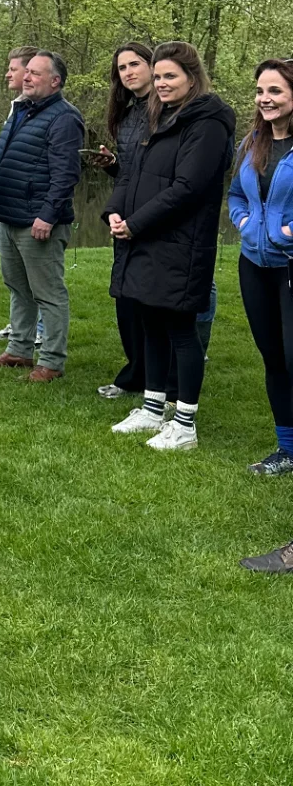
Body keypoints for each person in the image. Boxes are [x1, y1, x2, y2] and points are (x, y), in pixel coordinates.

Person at [105, 41, 235, 451]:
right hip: (145, 238)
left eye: (170, 76)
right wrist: (114, 212)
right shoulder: (159, 116)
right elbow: (131, 173)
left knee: (180, 329)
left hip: (181, 242)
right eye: (158, 76)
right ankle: (152, 407)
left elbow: (188, 188)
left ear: (192, 78)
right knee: (151, 324)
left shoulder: (209, 122)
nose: (161, 83)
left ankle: (184, 424)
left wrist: (136, 224)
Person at [0, 51, 85, 382]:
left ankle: (51, 361)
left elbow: (66, 174)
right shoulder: (23, 110)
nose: (26, 77)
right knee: (18, 288)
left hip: (38, 222)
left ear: (55, 81)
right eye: (26, 72)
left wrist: (48, 216)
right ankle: (19, 350)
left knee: (48, 293)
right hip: (9, 216)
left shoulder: (64, 118)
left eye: (35, 73)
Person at [227, 62, 293, 545]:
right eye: (260, 91)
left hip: (290, 263)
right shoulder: (252, 144)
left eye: (275, 90)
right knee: (273, 357)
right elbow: (235, 196)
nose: (264, 98)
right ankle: (286, 448)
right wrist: (246, 224)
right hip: (255, 264)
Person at [90, 44, 156, 398]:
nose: (129, 72)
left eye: (135, 64)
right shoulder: (128, 116)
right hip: (125, 214)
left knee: (152, 300)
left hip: (156, 216)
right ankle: (135, 374)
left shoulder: (168, 113)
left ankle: (158, 379)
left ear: (152, 65)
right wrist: (113, 165)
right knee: (126, 297)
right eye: (122, 68)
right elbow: (131, 172)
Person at [0, 49, 35, 341]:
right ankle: (20, 330)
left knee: (38, 279)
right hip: (7, 208)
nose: (7, 74)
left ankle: (40, 331)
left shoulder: (44, 111)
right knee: (16, 278)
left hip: (30, 210)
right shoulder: (16, 106)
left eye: (13, 68)